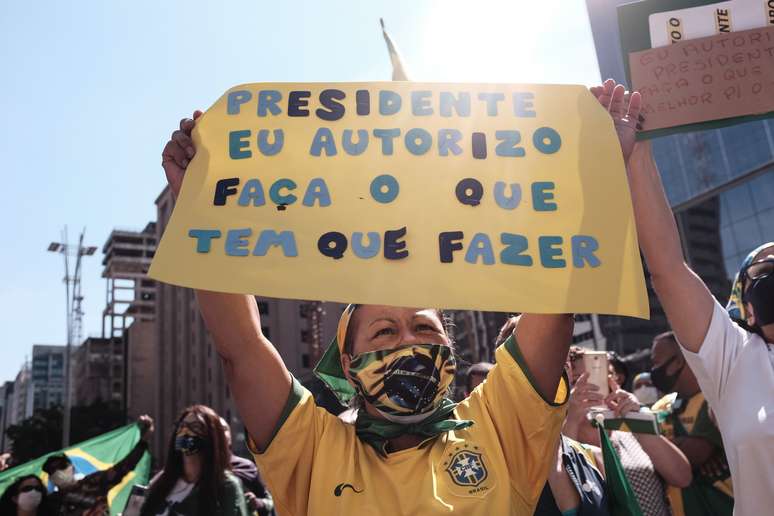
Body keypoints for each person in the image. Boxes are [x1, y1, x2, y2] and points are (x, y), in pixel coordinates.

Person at [158, 99, 642, 513]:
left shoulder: (500, 425)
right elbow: (242, 348)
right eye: (384, 332)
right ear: (347, 364)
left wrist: (600, 166)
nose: (408, 341)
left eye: (423, 329)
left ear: (450, 351)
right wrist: (200, 208)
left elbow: (556, 300)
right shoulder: (310, 447)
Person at [602, 73, 774, 514]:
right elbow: (668, 270)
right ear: (747, 308)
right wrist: (638, 153)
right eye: (768, 276)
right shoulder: (736, 359)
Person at [566, 346, 692, 516]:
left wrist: (635, 418)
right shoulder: (562, 439)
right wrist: (572, 418)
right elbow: (564, 485)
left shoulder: (629, 430)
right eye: (577, 380)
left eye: (602, 374)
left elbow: (682, 477)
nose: (590, 386)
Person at [650, 331, 733, 515]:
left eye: (656, 362)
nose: (653, 369)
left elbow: (694, 454)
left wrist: (657, 447)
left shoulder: (715, 399)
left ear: (679, 361)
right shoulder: (660, 406)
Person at [140, 406, 247, 516]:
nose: (185, 432)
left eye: (195, 427)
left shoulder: (226, 486)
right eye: (182, 426)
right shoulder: (162, 482)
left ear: (211, 436)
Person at [42, 415, 153, 516]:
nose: (58, 471)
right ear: (50, 477)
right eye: (52, 470)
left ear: (72, 467)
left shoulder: (93, 482)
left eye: (62, 466)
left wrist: (142, 441)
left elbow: (123, 467)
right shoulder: (50, 502)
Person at [220, 418, 274, 516]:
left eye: (223, 429)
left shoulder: (247, 466)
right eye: (216, 429)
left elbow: (270, 502)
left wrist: (257, 503)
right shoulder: (198, 470)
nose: (220, 433)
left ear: (230, 436)